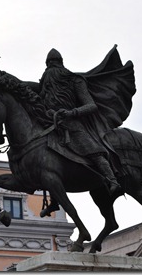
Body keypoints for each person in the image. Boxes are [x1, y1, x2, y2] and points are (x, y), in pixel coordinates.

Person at [38, 48, 122, 196]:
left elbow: (91, 105)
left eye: (53, 64)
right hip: (51, 125)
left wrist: (71, 113)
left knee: (93, 151)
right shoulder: (45, 85)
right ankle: (52, 197)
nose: (51, 69)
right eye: (49, 65)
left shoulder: (74, 80)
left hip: (74, 124)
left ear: (60, 65)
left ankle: (112, 178)